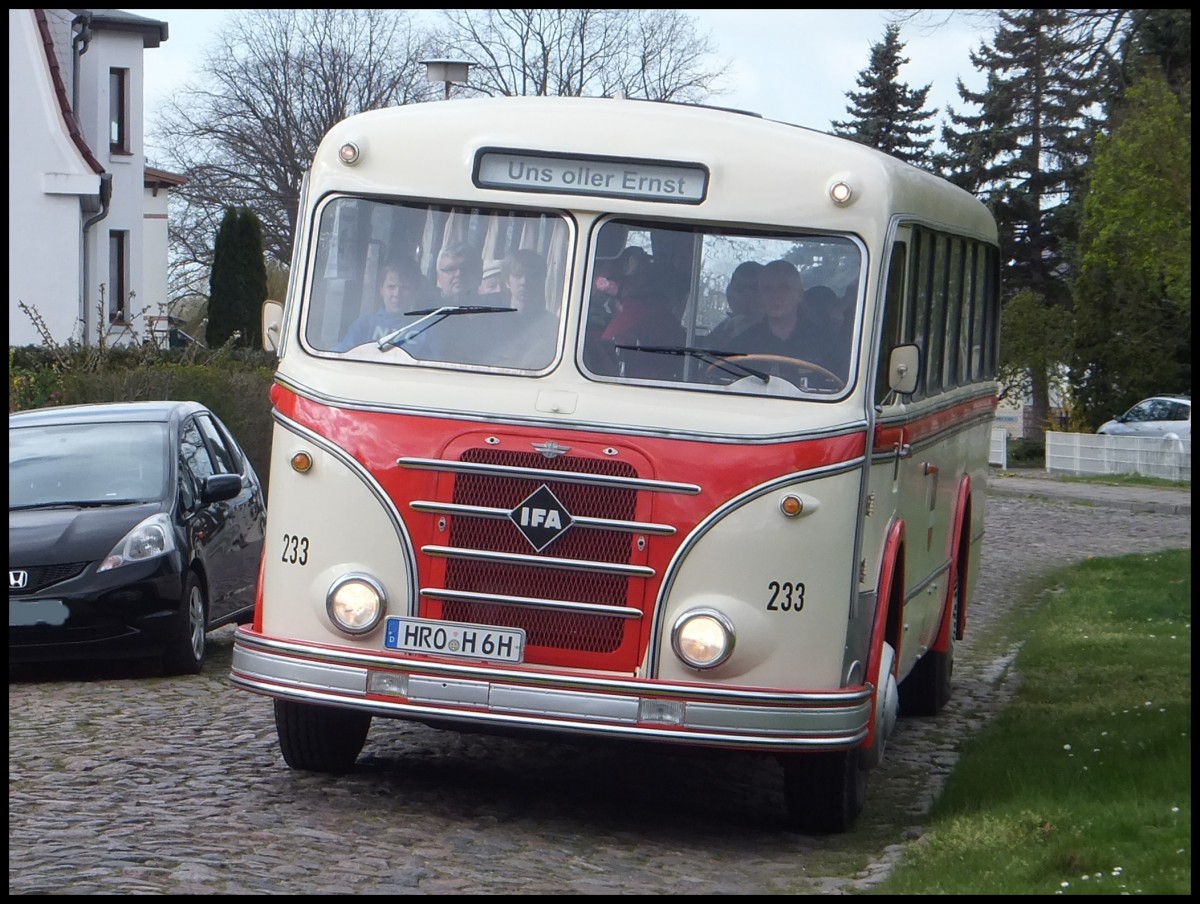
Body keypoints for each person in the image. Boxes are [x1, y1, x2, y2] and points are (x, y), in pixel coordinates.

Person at [337, 259, 432, 350]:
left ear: (415, 291)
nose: (397, 294)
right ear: (381, 289)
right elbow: (342, 355)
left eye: (405, 288)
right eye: (391, 287)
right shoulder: (364, 326)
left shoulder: (426, 332)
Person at [705, 260, 764, 348]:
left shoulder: (771, 333)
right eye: (738, 287)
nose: (733, 293)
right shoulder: (728, 326)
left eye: (754, 288)